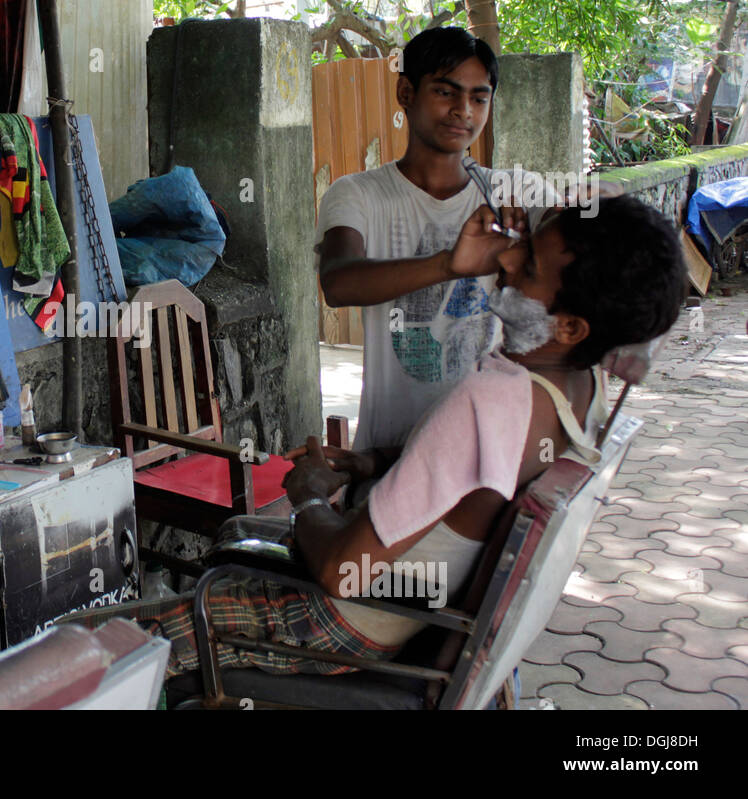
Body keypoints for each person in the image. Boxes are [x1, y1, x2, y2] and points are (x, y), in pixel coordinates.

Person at [95, 195, 684, 679]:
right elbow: (472, 472)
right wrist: (368, 462)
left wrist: (307, 495)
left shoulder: (491, 401)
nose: (504, 262)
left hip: (348, 622)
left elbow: (339, 572)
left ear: (570, 326)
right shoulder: (580, 388)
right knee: (235, 530)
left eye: (527, 266)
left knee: (96, 649)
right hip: (415, 608)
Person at [317, 27, 556, 453]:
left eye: (479, 98)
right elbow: (338, 282)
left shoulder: (511, 192)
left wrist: (581, 211)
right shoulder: (357, 193)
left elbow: (587, 237)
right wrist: (449, 264)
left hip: (484, 449)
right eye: (446, 92)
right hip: (387, 451)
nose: (463, 110)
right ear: (406, 93)